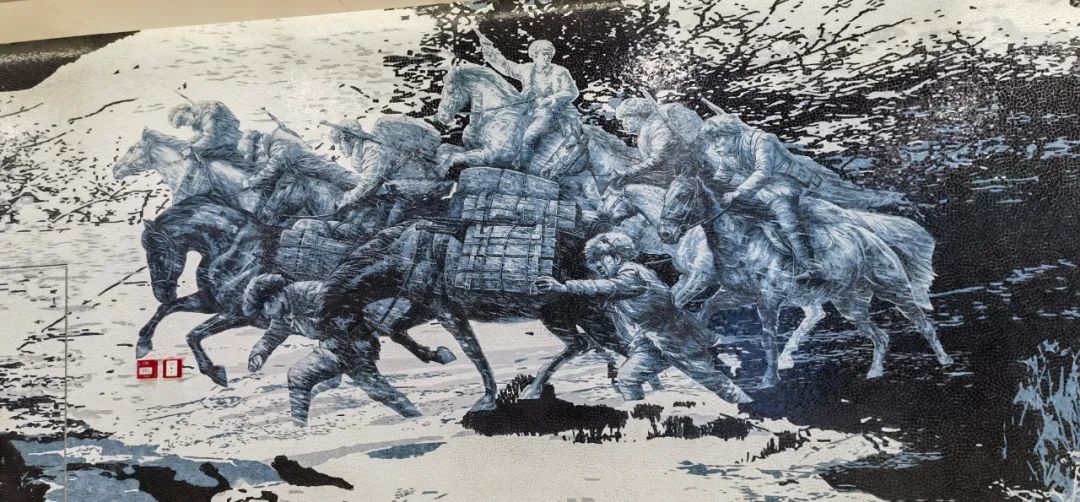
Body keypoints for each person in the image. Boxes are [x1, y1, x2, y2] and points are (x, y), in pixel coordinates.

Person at [535, 232, 752, 404]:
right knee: (627, 378)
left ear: (616, 257)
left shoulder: (631, 274)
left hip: (676, 337)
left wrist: (564, 287)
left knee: (713, 381)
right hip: (652, 340)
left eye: (599, 259)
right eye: (593, 261)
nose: (596, 265)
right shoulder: (625, 275)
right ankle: (640, 418)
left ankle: (749, 407)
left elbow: (608, 287)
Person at [479, 36, 579, 168]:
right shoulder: (526, 69)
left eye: (550, 54)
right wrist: (489, 49)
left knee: (529, 136)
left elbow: (572, 91)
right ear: (535, 55)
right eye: (544, 54)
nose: (548, 57)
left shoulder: (560, 72)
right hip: (526, 109)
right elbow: (506, 66)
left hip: (551, 112)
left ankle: (523, 169)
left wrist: (552, 99)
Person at [239, 127, 359, 224]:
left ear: (258, 144)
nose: (259, 156)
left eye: (256, 153)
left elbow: (273, 168)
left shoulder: (278, 144)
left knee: (357, 190)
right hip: (313, 174)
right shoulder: (276, 141)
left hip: (323, 172)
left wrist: (250, 182)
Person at [612, 98, 703, 187]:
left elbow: (659, 158)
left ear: (639, 115)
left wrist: (629, 172)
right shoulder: (648, 129)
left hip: (680, 175)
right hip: (668, 173)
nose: (624, 123)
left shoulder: (659, 127)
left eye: (627, 118)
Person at [167, 101, 242, 162]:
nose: (186, 124)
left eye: (184, 120)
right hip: (217, 142)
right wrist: (185, 145)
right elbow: (199, 136)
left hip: (230, 140)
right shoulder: (196, 121)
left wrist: (192, 149)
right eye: (183, 124)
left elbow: (210, 136)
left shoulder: (208, 112)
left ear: (186, 111)